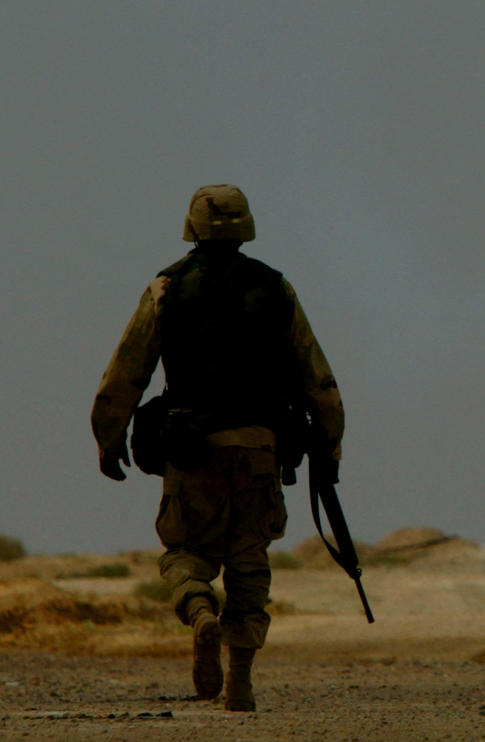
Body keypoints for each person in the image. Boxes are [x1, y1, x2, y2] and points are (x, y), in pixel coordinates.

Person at [91, 184, 344, 711]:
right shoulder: (276, 289)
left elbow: (125, 375)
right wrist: (331, 445)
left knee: (184, 551)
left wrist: (108, 439)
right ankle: (241, 677)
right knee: (249, 558)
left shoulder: (167, 289)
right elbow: (317, 378)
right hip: (258, 450)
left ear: (194, 226)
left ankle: (200, 609)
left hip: (191, 452)